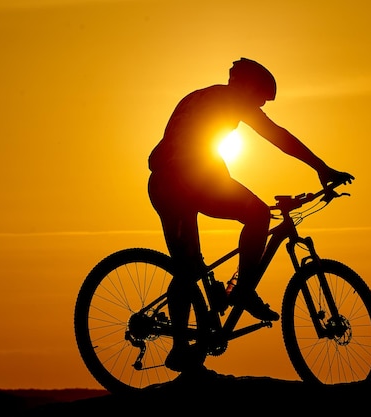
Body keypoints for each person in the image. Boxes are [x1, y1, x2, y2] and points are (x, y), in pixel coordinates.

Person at [148, 58, 354, 372]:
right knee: (249, 218)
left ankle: (196, 335)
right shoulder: (228, 100)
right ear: (245, 87)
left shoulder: (207, 97)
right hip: (180, 181)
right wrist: (322, 169)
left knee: (193, 264)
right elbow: (278, 136)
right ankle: (238, 294)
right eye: (260, 98)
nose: (260, 105)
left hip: (179, 181)